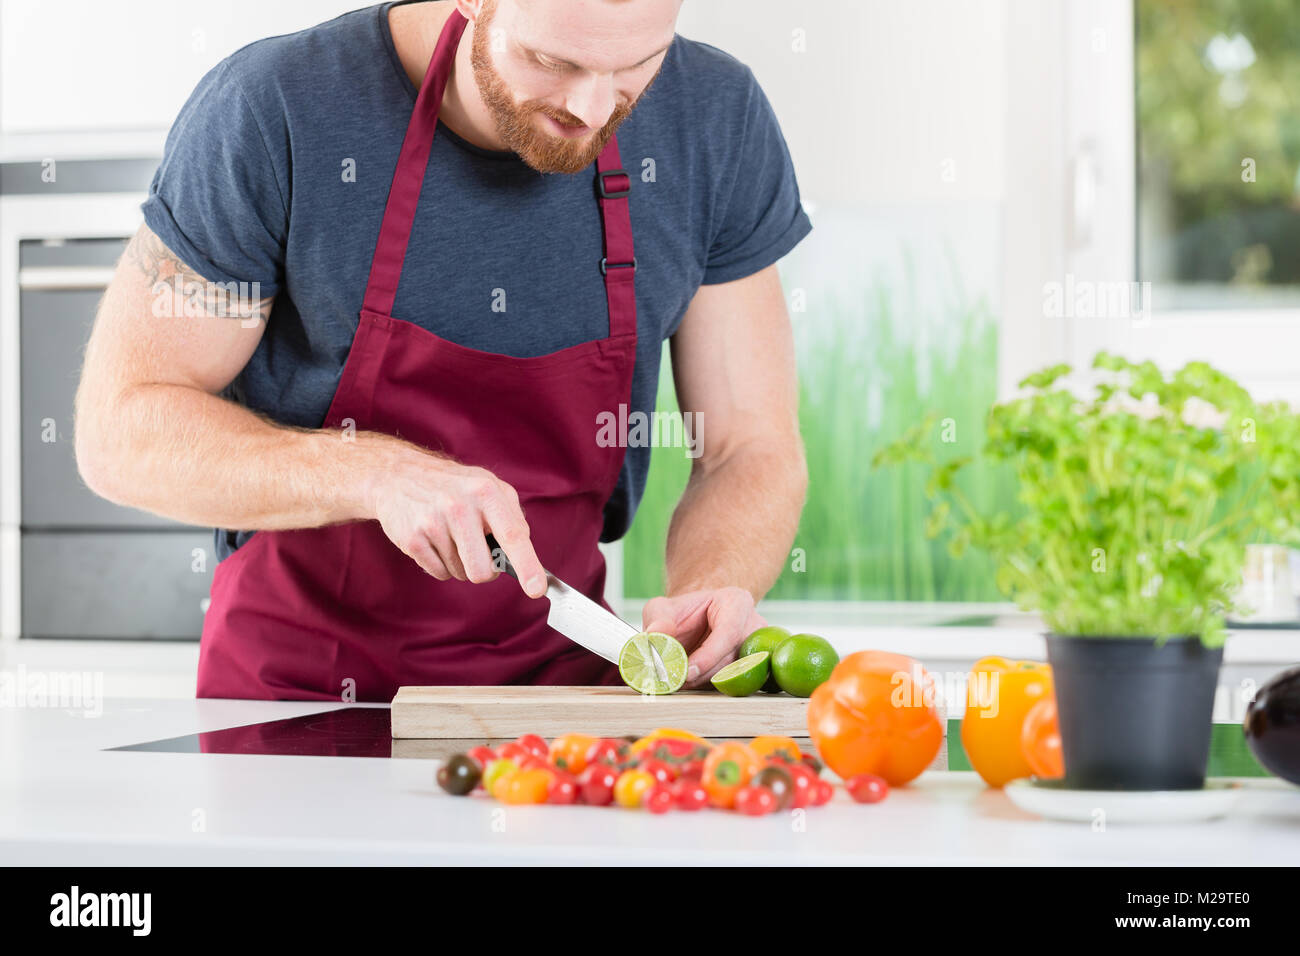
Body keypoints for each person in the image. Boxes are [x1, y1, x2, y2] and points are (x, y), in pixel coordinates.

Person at [75, 0, 810, 701]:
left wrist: (711, 584)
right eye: (551, 61)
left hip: (558, 703)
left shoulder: (717, 120)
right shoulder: (277, 109)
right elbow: (121, 429)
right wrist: (377, 474)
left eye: (636, 66)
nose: (592, 109)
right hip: (296, 701)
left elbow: (747, 446)